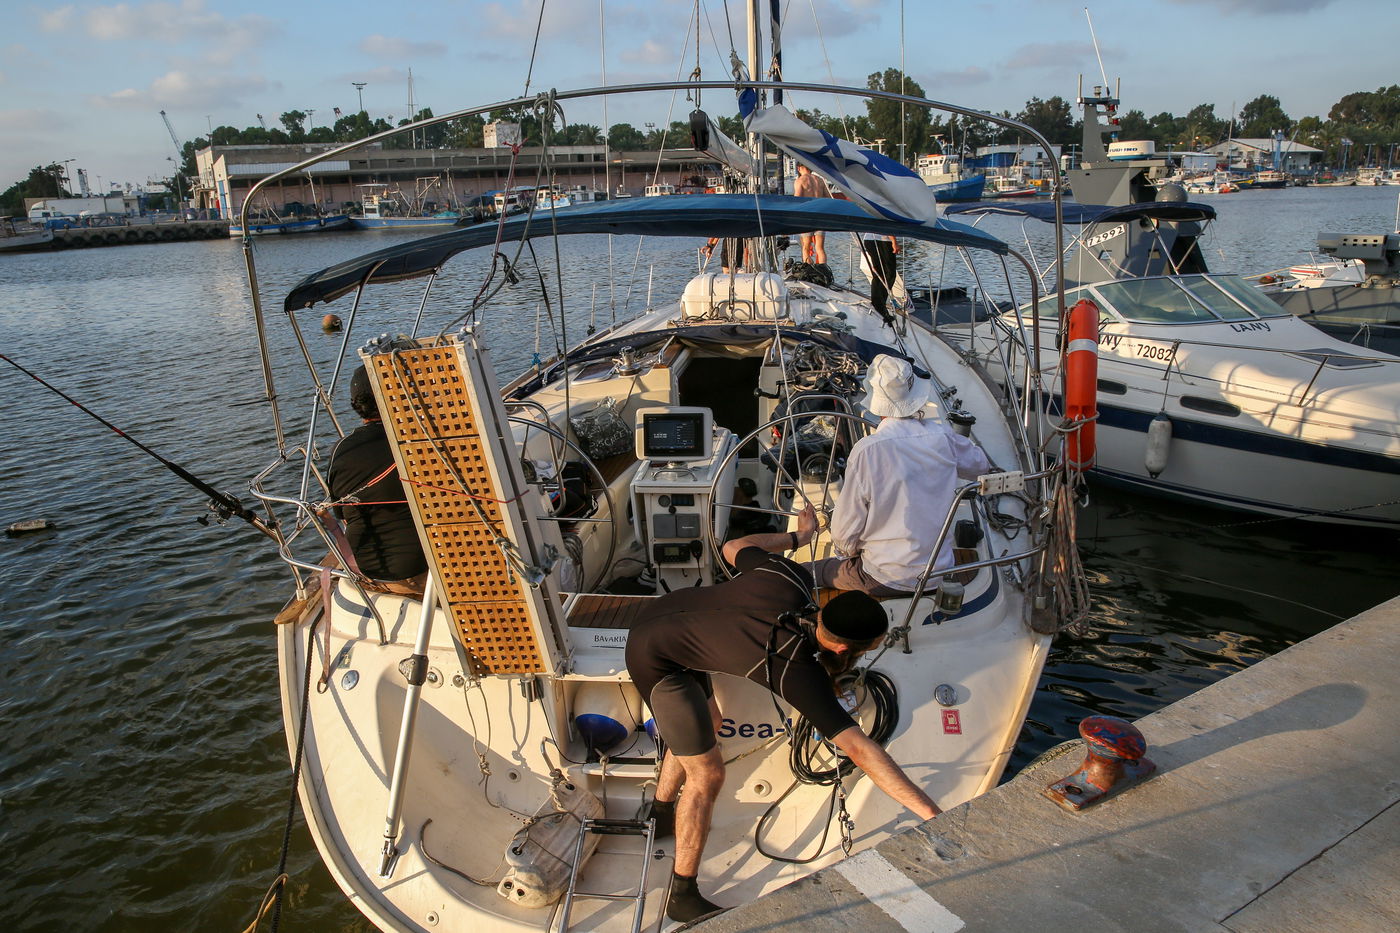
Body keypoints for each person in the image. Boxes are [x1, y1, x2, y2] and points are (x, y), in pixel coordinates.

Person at [625, 504, 941, 923]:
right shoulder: (792, 667)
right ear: (846, 650)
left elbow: (734, 546)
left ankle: (660, 812)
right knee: (707, 774)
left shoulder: (792, 576)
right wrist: (935, 818)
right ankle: (682, 893)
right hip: (654, 658)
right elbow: (860, 750)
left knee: (710, 725)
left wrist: (800, 539)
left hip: (668, 617)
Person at [810, 354, 991, 597]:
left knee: (813, 571)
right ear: (915, 397)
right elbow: (980, 466)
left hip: (884, 577)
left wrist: (846, 552)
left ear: (876, 401)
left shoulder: (868, 450)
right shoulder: (943, 436)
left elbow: (846, 529)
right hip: (937, 573)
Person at [326, 365, 429, 595]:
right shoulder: (416, 440)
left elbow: (342, 516)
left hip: (368, 572)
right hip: (425, 571)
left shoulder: (340, 450)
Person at [859, 230, 900, 325]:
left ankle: (878, 306)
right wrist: (894, 241)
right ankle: (879, 306)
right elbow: (887, 225)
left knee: (879, 274)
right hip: (882, 241)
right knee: (889, 275)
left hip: (869, 239)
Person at [792, 163, 831, 264]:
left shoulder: (800, 181)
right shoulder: (820, 181)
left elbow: (797, 200)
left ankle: (809, 271)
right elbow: (829, 199)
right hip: (820, 216)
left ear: (799, 168)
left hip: (807, 217)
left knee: (806, 248)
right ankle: (823, 271)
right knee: (820, 248)